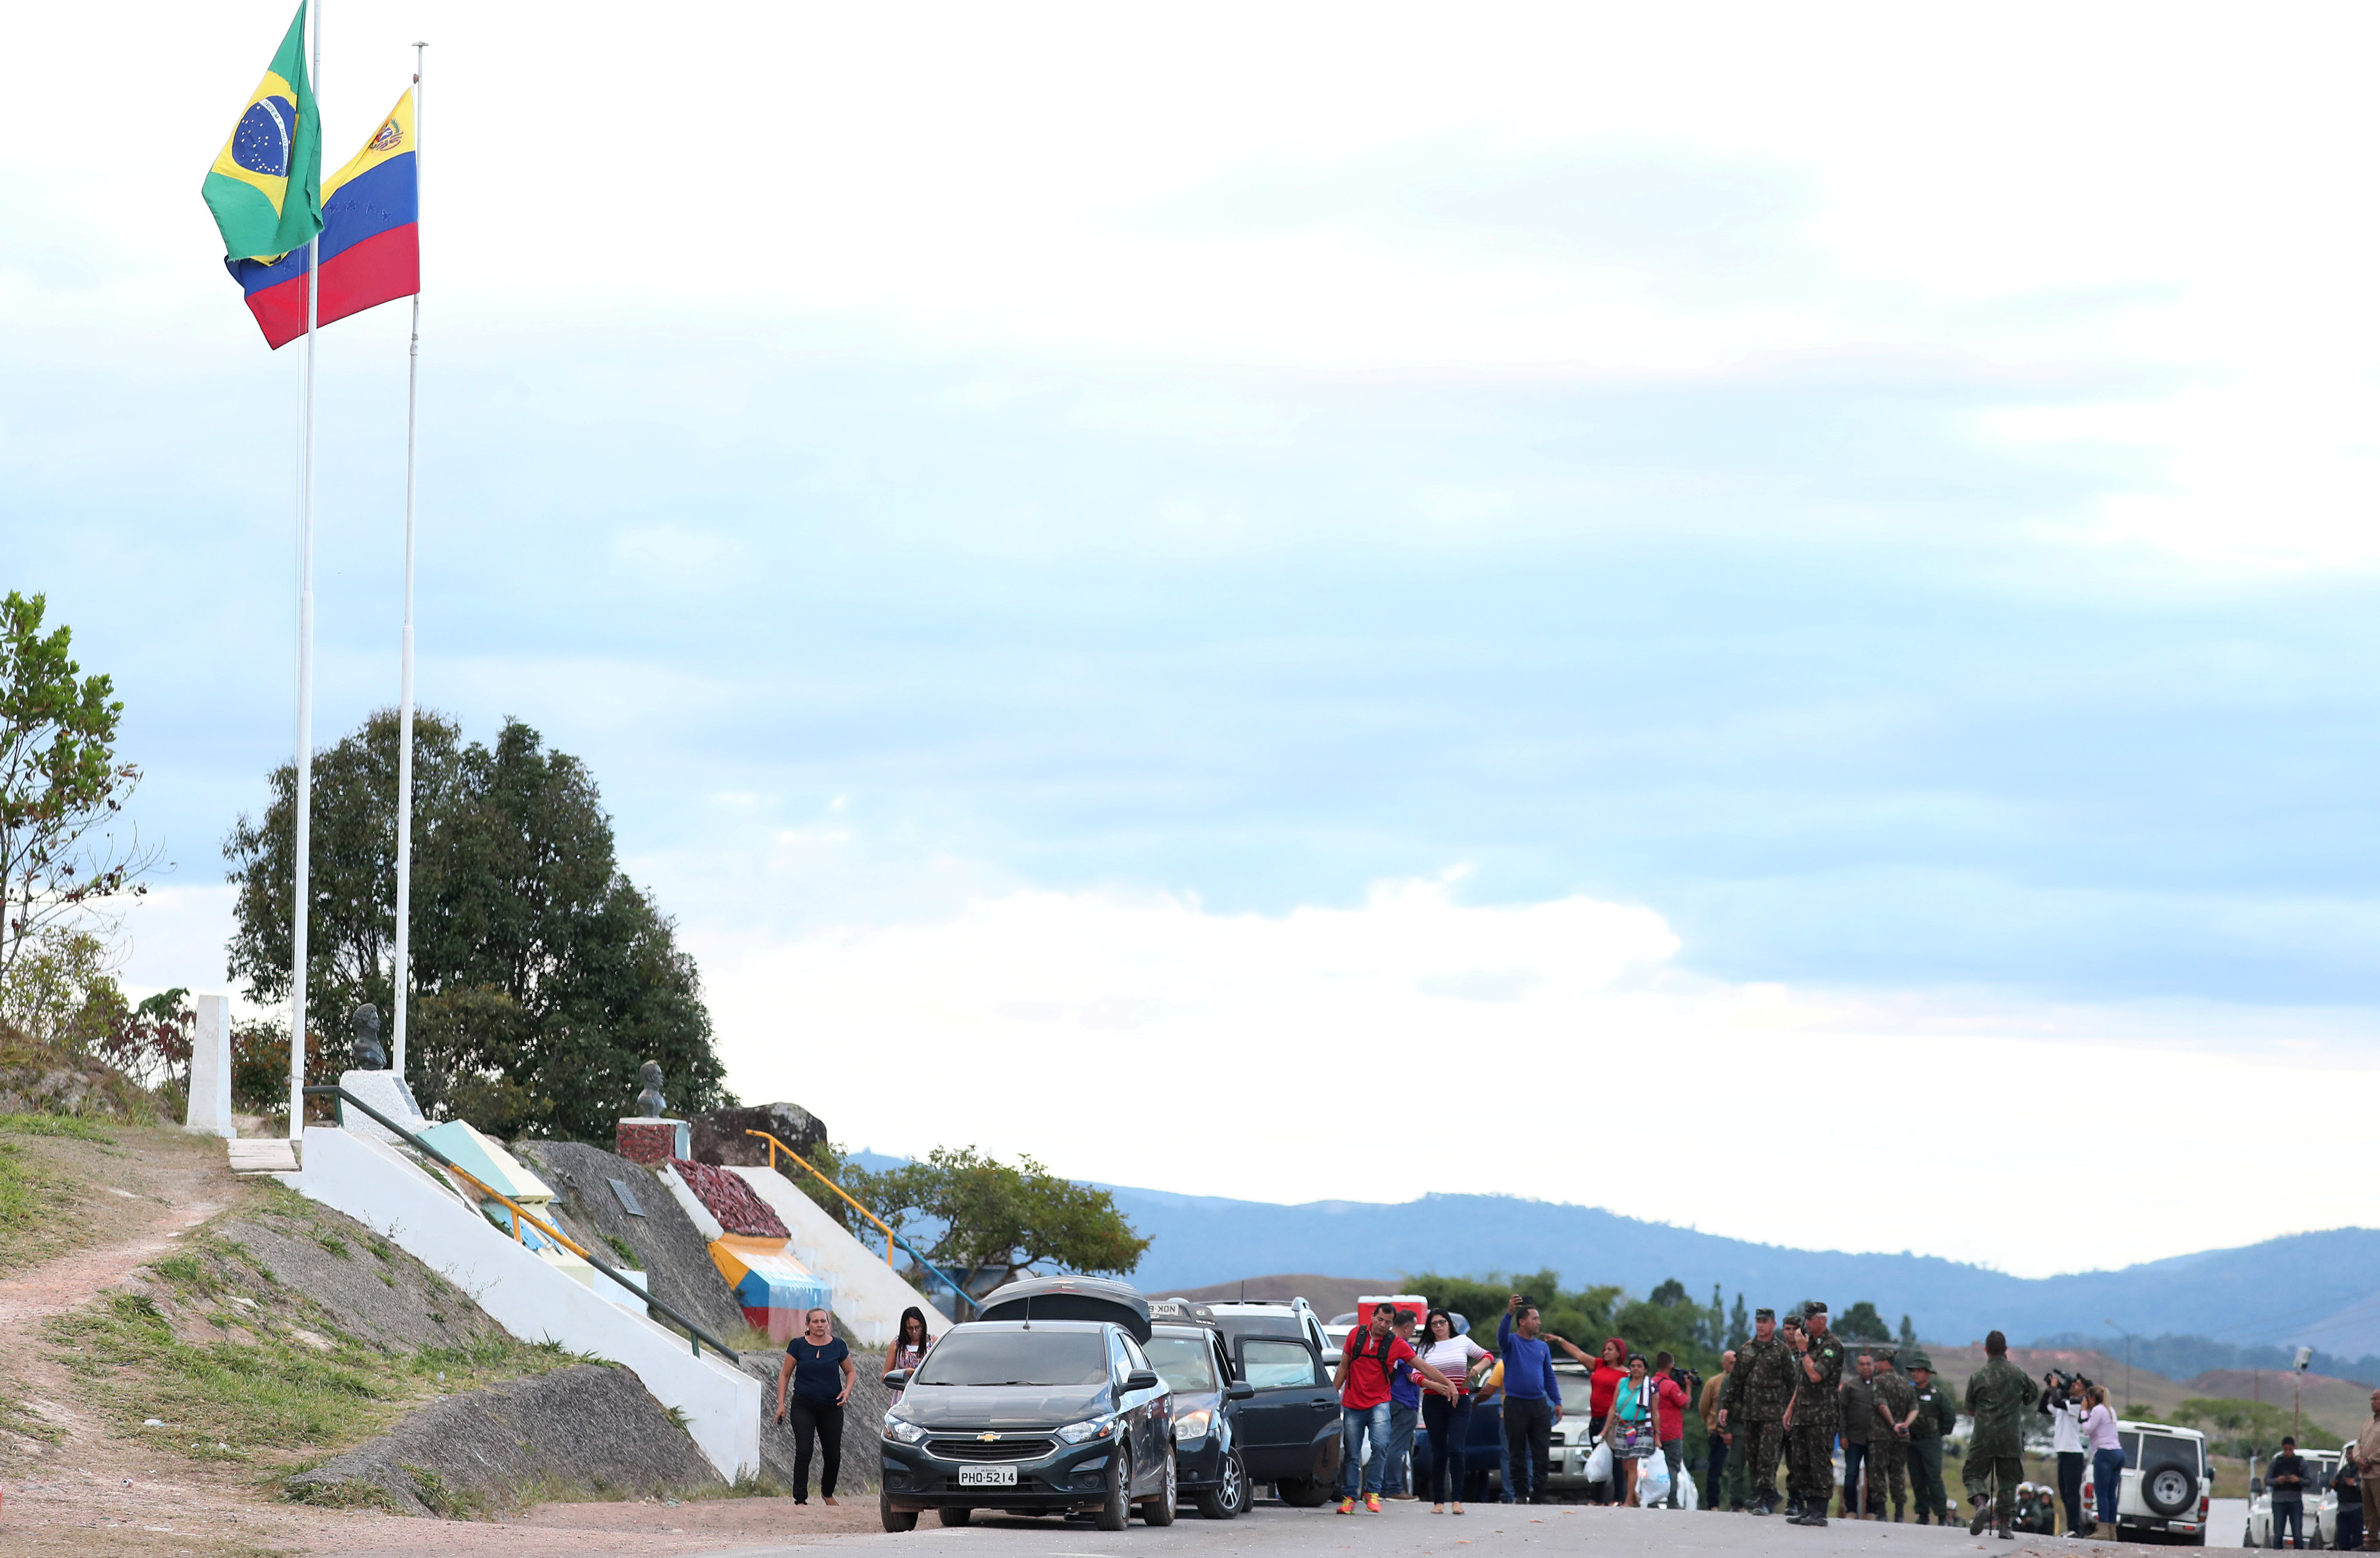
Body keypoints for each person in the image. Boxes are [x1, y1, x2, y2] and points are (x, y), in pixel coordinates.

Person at [1336, 1304, 1459, 1513]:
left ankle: (1372, 1493)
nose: (1383, 1325)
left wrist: (1448, 1383)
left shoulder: (1396, 1344)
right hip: (1352, 1404)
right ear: (1373, 1317)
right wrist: (1333, 1394)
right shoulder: (1355, 1335)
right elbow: (1344, 1366)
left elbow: (1421, 1366)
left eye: (1388, 1323)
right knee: (1352, 1453)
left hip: (1380, 1402)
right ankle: (1349, 1497)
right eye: (1380, 1320)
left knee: (1382, 1445)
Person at [775, 1306, 855, 1506]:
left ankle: (827, 1493)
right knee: (804, 1449)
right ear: (808, 1325)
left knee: (833, 1454)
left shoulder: (838, 1345)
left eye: (823, 1321)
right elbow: (785, 1374)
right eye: (816, 1322)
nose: (820, 1325)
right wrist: (781, 1404)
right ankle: (800, 1498)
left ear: (828, 1324)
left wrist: (847, 1390)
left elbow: (850, 1372)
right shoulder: (798, 1346)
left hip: (832, 1406)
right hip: (804, 1405)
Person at [1964, 1330, 2041, 1538]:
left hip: (1984, 1436)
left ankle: (1981, 1504)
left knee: (1973, 1474)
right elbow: (2031, 1396)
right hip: (2010, 1437)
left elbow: (1970, 1408)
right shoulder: (2018, 1374)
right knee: (2008, 1481)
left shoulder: (1977, 1376)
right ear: (2006, 1350)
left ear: (1986, 1350)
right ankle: (2005, 1526)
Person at [1720, 1307, 1796, 1515]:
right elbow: (1736, 1381)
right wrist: (1727, 1405)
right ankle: (1769, 1492)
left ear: (1773, 1324)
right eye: (1758, 1321)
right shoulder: (1746, 1349)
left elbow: (1793, 1383)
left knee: (1767, 1457)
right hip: (1750, 1412)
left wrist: (1791, 1411)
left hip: (1774, 1414)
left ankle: (1763, 1498)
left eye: (1765, 1321)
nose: (1761, 1325)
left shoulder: (1782, 1351)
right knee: (1752, 1456)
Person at [1418, 1308, 1492, 1514]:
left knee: (1457, 1449)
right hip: (1434, 1401)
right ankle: (1439, 1500)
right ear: (1429, 1327)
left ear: (1449, 1324)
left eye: (1442, 1322)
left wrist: (1478, 1368)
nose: (1439, 1327)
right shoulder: (1424, 1347)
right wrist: (1433, 1386)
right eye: (1434, 1324)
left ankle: (1457, 1499)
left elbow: (1487, 1356)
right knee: (1439, 1451)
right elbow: (1414, 1375)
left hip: (1460, 1400)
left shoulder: (1462, 1341)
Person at [1495, 1294, 1563, 1505]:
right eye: (1535, 1319)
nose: (1539, 1323)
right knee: (1517, 1451)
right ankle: (1520, 1492)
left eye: (1539, 1319)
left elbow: (1549, 1375)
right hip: (1516, 1404)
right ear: (1523, 1321)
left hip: (1538, 1403)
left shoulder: (1542, 1347)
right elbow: (1501, 1336)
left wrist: (1557, 1400)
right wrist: (1509, 1313)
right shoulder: (1511, 1343)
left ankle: (1539, 1493)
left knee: (1541, 1450)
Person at [1783, 1302, 1846, 1527]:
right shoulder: (1810, 1344)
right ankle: (1809, 1507)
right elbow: (1801, 1382)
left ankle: (1820, 1509)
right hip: (1803, 1412)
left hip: (1822, 1415)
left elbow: (1815, 1375)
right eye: (1806, 1319)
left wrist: (1802, 1350)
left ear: (1823, 1320)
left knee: (1819, 1461)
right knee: (1801, 1462)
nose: (1806, 1324)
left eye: (1810, 1320)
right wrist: (1791, 1407)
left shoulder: (1832, 1346)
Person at [1546, 1333, 1628, 1503]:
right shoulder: (1598, 1365)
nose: (1605, 1352)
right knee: (1599, 1459)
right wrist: (1561, 1341)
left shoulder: (1625, 1374)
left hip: (1613, 1420)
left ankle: (1619, 1499)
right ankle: (1599, 1499)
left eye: (1610, 1350)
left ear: (1619, 1353)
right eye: (1605, 1349)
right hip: (1596, 1418)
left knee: (1616, 1460)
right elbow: (1579, 1354)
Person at [1907, 1351, 1956, 1525]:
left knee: (1933, 1477)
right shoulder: (1909, 1393)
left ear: (1928, 1374)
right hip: (1912, 1441)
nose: (1915, 1374)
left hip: (1931, 1440)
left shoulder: (1938, 1395)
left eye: (1919, 1371)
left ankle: (1942, 1514)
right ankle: (1922, 1514)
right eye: (1913, 1371)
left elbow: (1949, 1416)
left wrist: (1940, 1432)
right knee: (1917, 1478)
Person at [1868, 1347, 1916, 1523]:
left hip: (1881, 1435)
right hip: (1902, 1437)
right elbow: (1914, 1409)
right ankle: (1899, 1512)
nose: (1875, 1365)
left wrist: (1893, 1424)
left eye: (1877, 1362)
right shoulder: (1905, 1383)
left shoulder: (1878, 1381)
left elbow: (1881, 1405)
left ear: (1884, 1363)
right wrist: (1905, 1425)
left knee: (1878, 1472)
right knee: (1897, 1473)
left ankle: (1881, 1512)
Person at [1385, 1308, 1425, 1499]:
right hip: (1404, 1402)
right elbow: (1413, 1375)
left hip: (1388, 1399)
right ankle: (1392, 1488)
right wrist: (1436, 1382)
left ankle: (1380, 1487)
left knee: (1385, 1444)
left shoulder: (1386, 1343)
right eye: (1414, 1327)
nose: (1413, 1331)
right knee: (1397, 1446)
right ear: (1407, 1327)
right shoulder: (1403, 1347)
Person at [2042, 1372, 2087, 1536]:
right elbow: (2043, 1408)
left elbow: (2056, 1401)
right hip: (2063, 1453)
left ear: (2084, 1392)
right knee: (2065, 1495)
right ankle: (2072, 1528)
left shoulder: (2079, 1404)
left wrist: (2055, 1388)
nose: (2073, 1386)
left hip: (2073, 1453)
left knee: (2072, 1495)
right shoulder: (2065, 1404)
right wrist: (2049, 1389)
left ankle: (2076, 1529)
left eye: (2077, 1385)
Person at [1652, 1350, 1692, 1509]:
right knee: (1672, 1467)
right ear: (1670, 1366)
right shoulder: (1671, 1386)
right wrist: (1688, 1387)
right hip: (1671, 1433)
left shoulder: (1650, 1383)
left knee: (1653, 1465)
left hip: (1654, 1431)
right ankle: (1672, 1500)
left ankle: (1653, 1499)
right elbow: (1686, 1404)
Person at [1839, 1351, 1875, 1520]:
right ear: (1857, 1366)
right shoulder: (1850, 1386)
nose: (1866, 1367)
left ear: (1873, 1366)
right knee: (1851, 1475)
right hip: (1853, 1438)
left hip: (1875, 1439)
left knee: (1874, 1476)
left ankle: (1872, 1511)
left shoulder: (1880, 1386)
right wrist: (1843, 1435)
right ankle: (1851, 1510)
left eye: (1868, 1364)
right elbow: (1842, 1412)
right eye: (1862, 1364)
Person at [2081, 1384, 2122, 1536]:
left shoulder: (2098, 1410)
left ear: (2092, 1398)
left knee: (2102, 1493)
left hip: (2105, 1453)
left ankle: (2103, 1530)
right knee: (2111, 1494)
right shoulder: (2110, 1410)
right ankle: (2112, 1530)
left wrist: (2084, 1411)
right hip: (2118, 1453)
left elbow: (2086, 1429)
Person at [1701, 1351, 1738, 1511]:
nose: (1734, 1366)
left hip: (1738, 1431)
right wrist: (1711, 1424)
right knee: (1715, 1469)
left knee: (1737, 1468)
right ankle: (1713, 1504)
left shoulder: (1742, 1382)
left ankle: (1738, 1503)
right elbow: (1704, 1407)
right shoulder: (1714, 1383)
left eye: (1736, 1363)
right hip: (1718, 1432)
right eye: (1731, 1363)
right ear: (1724, 1364)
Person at [883, 1305, 932, 1405]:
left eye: (917, 1327)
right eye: (910, 1328)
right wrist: (904, 1373)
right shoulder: (897, 1344)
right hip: (903, 1398)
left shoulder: (933, 1342)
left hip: (927, 1396)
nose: (914, 1332)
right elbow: (885, 1376)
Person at [2270, 1435, 2309, 1549]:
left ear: (2294, 1448)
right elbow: (2268, 1480)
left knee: (2297, 1535)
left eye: (2290, 1450)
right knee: (2278, 1535)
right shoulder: (2277, 1462)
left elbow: (2308, 1481)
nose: (2288, 1452)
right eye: (2286, 1450)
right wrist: (2278, 1480)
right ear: (2282, 1448)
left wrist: (2298, 1480)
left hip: (2295, 1500)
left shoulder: (2300, 1462)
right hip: (2279, 1501)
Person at [2355, 1388, 2380, 1553]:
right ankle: (2371, 1542)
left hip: (2378, 1472)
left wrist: (2370, 1460)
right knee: (2369, 1510)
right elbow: (2358, 1443)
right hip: (2365, 1473)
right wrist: (2359, 1458)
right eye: (2371, 1399)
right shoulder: (2368, 1422)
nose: (2372, 1402)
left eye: (2375, 1399)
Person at [2333, 1449, 2364, 1553]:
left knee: (2357, 1539)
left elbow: (2367, 1487)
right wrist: (2335, 1484)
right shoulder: (2344, 1470)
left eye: (2351, 1454)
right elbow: (2337, 1484)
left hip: (2356, 1507)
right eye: (2348, 1454)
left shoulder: (2362, 1470)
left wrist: (2354, 1484)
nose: (2349, 1456)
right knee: (2342, 1538)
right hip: (2343, 1508)